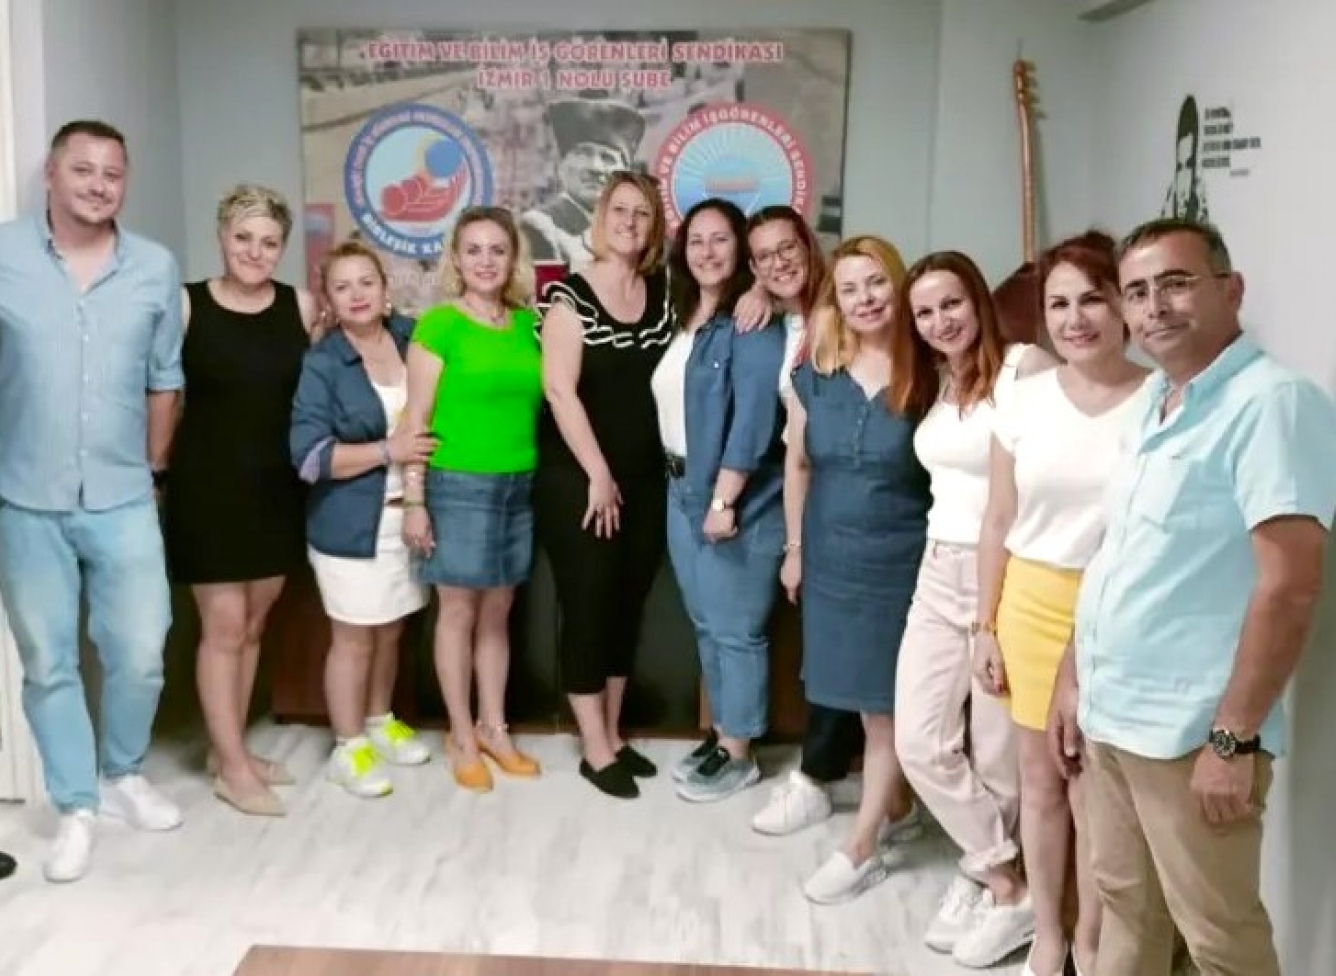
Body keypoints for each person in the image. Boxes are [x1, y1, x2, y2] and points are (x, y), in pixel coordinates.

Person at [1049, 219, 1336, 976]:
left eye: (1175, 284)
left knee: (1218, 940)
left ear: (1230, 290)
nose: (1154, 307)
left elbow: (1290, 586)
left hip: (1189, 735)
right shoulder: (1156, 399)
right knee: (1126, 909)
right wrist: (1074, 675)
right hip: (1113, 715)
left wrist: (1232, 741)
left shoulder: (1272, 404)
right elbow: (1120, 554)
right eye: (1137, 291)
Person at [0, 120, 184, 883]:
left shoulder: (154, 267)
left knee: (141, 649)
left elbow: (165, 380)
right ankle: (76, 804)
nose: (99, 185)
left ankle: (122, 773)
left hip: (123, 494)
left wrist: (153, 468)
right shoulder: (4, 255)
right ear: (51, 173)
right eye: (83, 170)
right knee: (48, 661)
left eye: (113, 173)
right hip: (24, 496)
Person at [972, 231, 1151, 975]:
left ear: (1124, 306)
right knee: (1040, 783)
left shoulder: (1158, 403)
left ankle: (1092, 941)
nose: (1075, 320)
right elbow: (997, 518)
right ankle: (1048, 933)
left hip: (1114, 610)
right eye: (1058, 304)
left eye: (1092, 300)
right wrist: (985, 624)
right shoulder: (1023, 398)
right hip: (1030, 602)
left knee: (1093, 792)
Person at [893, 250, 1055, 959]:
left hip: (1007, 574)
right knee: (919, 739)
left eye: (951, 303)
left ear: (978, 300)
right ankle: (1002, 875)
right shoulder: (936, 379)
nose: (940, 321)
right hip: (938, 570)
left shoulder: (1026, 368)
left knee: (997, 754)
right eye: (925, 312)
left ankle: (990, 883)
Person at [162, 184, 319, 817]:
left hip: (277, 488)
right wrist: (155, 472)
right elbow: (159, 394)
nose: (255, 251)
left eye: (269, 241)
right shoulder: (186, 304)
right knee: (223, 626)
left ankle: (229, 750)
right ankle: (231, 768)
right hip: (208, 487)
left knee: (253, 624)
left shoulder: (300, 306)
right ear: (222, 237)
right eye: (243, 237)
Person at [783, 235, 929, 904]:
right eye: (850, 289)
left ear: (898, 286)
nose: (865, 298)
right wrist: (794, 550)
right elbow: (798, 464)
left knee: (887, 710)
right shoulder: (815, 373)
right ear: (835, 302)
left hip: (902, 562)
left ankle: (862, 845)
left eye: (876, 283)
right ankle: (897, 807)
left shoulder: (931, 374)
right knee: (865, 705)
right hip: (831, 559)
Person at [534, 170, 673, 799]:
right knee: (589, 604)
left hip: (645, 478)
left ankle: (613, 735)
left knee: (626, 605)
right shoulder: (569, 296)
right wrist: (597, 473)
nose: (629, 222)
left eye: (642, 213)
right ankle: (593, 747)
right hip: (581, 478)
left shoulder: (663, 293)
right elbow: (559, 391)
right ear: (601, 216)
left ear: (654, 227)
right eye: (620, 210)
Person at [401, 207, 544, 793]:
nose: (486, 260)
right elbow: (415, 419)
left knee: (496, 615)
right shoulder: (438, 326)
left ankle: (494, 728)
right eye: (474, 249)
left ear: (513, 259)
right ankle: (460, 735)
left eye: (497, 250)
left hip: (519, 485)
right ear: (456, 259)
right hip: (457, 485)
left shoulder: (527, 324)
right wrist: (414, 500)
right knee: (457, 614)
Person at [290, 239, 436, 798]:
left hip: (410, 517)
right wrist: (386, 451)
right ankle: (347, 746)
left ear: (384, 288)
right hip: (349, 525)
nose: (356, 295)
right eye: (342, 286)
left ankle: (379, 721)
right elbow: (309, 457)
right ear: (328, 299)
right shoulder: (322, 363)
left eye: (366, 283)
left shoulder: (412, 338)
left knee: (392, 627)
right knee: (353, 636)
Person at [652, 198, 786, 803]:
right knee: (707, 622)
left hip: (732, 497)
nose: (706, 252)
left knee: (736, 630)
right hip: (680, 489)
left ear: (741, 252)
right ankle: (723, 732)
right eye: (696, 241)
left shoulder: (751, 320)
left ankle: (740, 752)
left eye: (720, 240)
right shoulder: (686, 316)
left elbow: (754, 420)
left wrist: (725, 500)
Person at [742, 205, 870, 837]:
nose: (778, 262)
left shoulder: (841, 310)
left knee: (846, 645)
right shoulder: (782, 317)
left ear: (809, 246)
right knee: (825, 645)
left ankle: (821, 776)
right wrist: (796, 543)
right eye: (764, 256)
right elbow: (796, 447)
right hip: (809, 493)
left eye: (787, 248)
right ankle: (833, 772)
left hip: (856, 496)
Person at [520, 99, 647, 272]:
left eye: (608, 158)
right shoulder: (539, 227)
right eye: (583, 153)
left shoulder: (633, 233)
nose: (595, 167)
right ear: (561, 165)